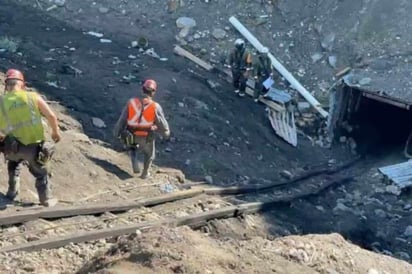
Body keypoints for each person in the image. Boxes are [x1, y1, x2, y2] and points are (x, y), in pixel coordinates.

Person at [0, 69, 61, 207]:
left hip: (12, 147)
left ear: (7, 85)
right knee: (41, 172)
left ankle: (11, 193)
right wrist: (55, 133)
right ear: (22, 84)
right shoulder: (33, 97)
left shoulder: (1, 102)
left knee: (13, 165)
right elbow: (51, 116)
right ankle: (46, 199)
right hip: (34, 147)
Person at [114, 79, 170, 179]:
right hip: (146, 138)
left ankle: (132, 153)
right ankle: (145, 173)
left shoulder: (131, 102)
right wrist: (165, 133)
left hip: (130, 138)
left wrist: (117, 133)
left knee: (128, 138)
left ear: (142, 90)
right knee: (149, 154)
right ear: (153, 92)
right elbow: (164, 126)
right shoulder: (155, 107)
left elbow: (121, 120)